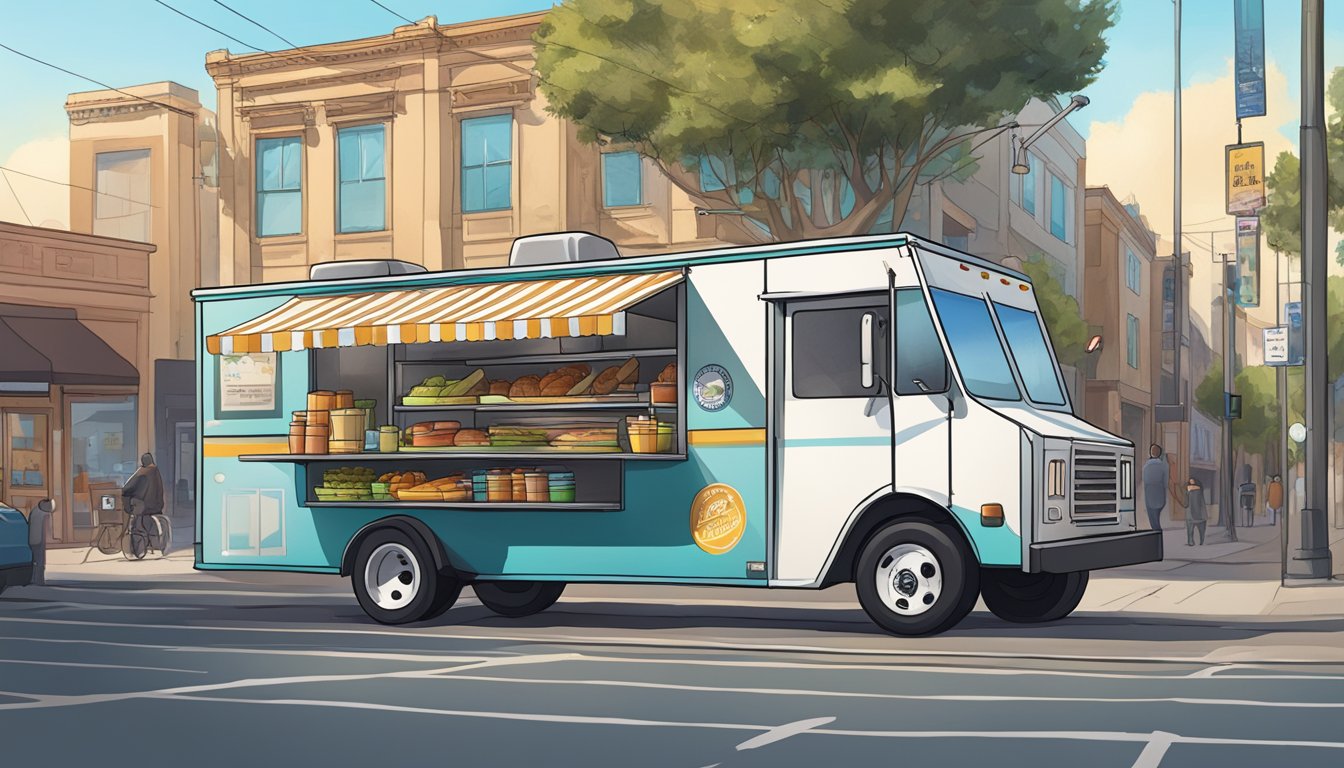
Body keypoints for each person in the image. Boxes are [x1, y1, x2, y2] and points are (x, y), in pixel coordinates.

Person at [1141, 443, 1169, 533]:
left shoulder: (1146, 467)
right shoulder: (1164, 466)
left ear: (1150, 453)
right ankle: (1157, 530)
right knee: (1157, 513)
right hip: (1160, 493)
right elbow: (1165, 483)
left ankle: (1156, 530)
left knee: (1152, 516)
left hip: (1149, 492)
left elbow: (1145, 481)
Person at [27, 498, 53, 586]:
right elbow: (48, 529)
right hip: (39, 540)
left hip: (31, 539)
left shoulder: (34, 511)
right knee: (40, 561)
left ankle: (32, 579)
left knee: (33, 560)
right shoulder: (44, 514)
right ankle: (39, 580)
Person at [1184, 478, 1208, 546]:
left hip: (1191, 515)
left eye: (1192, 481)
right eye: (1190, 481)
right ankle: (1201, 541)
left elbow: (1185, 503)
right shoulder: (1199, 490)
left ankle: (1191, 541)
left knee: (1190, 529)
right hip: (1200, 515)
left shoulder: (1188, 490)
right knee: (1201, 530)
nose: (1191, 482)